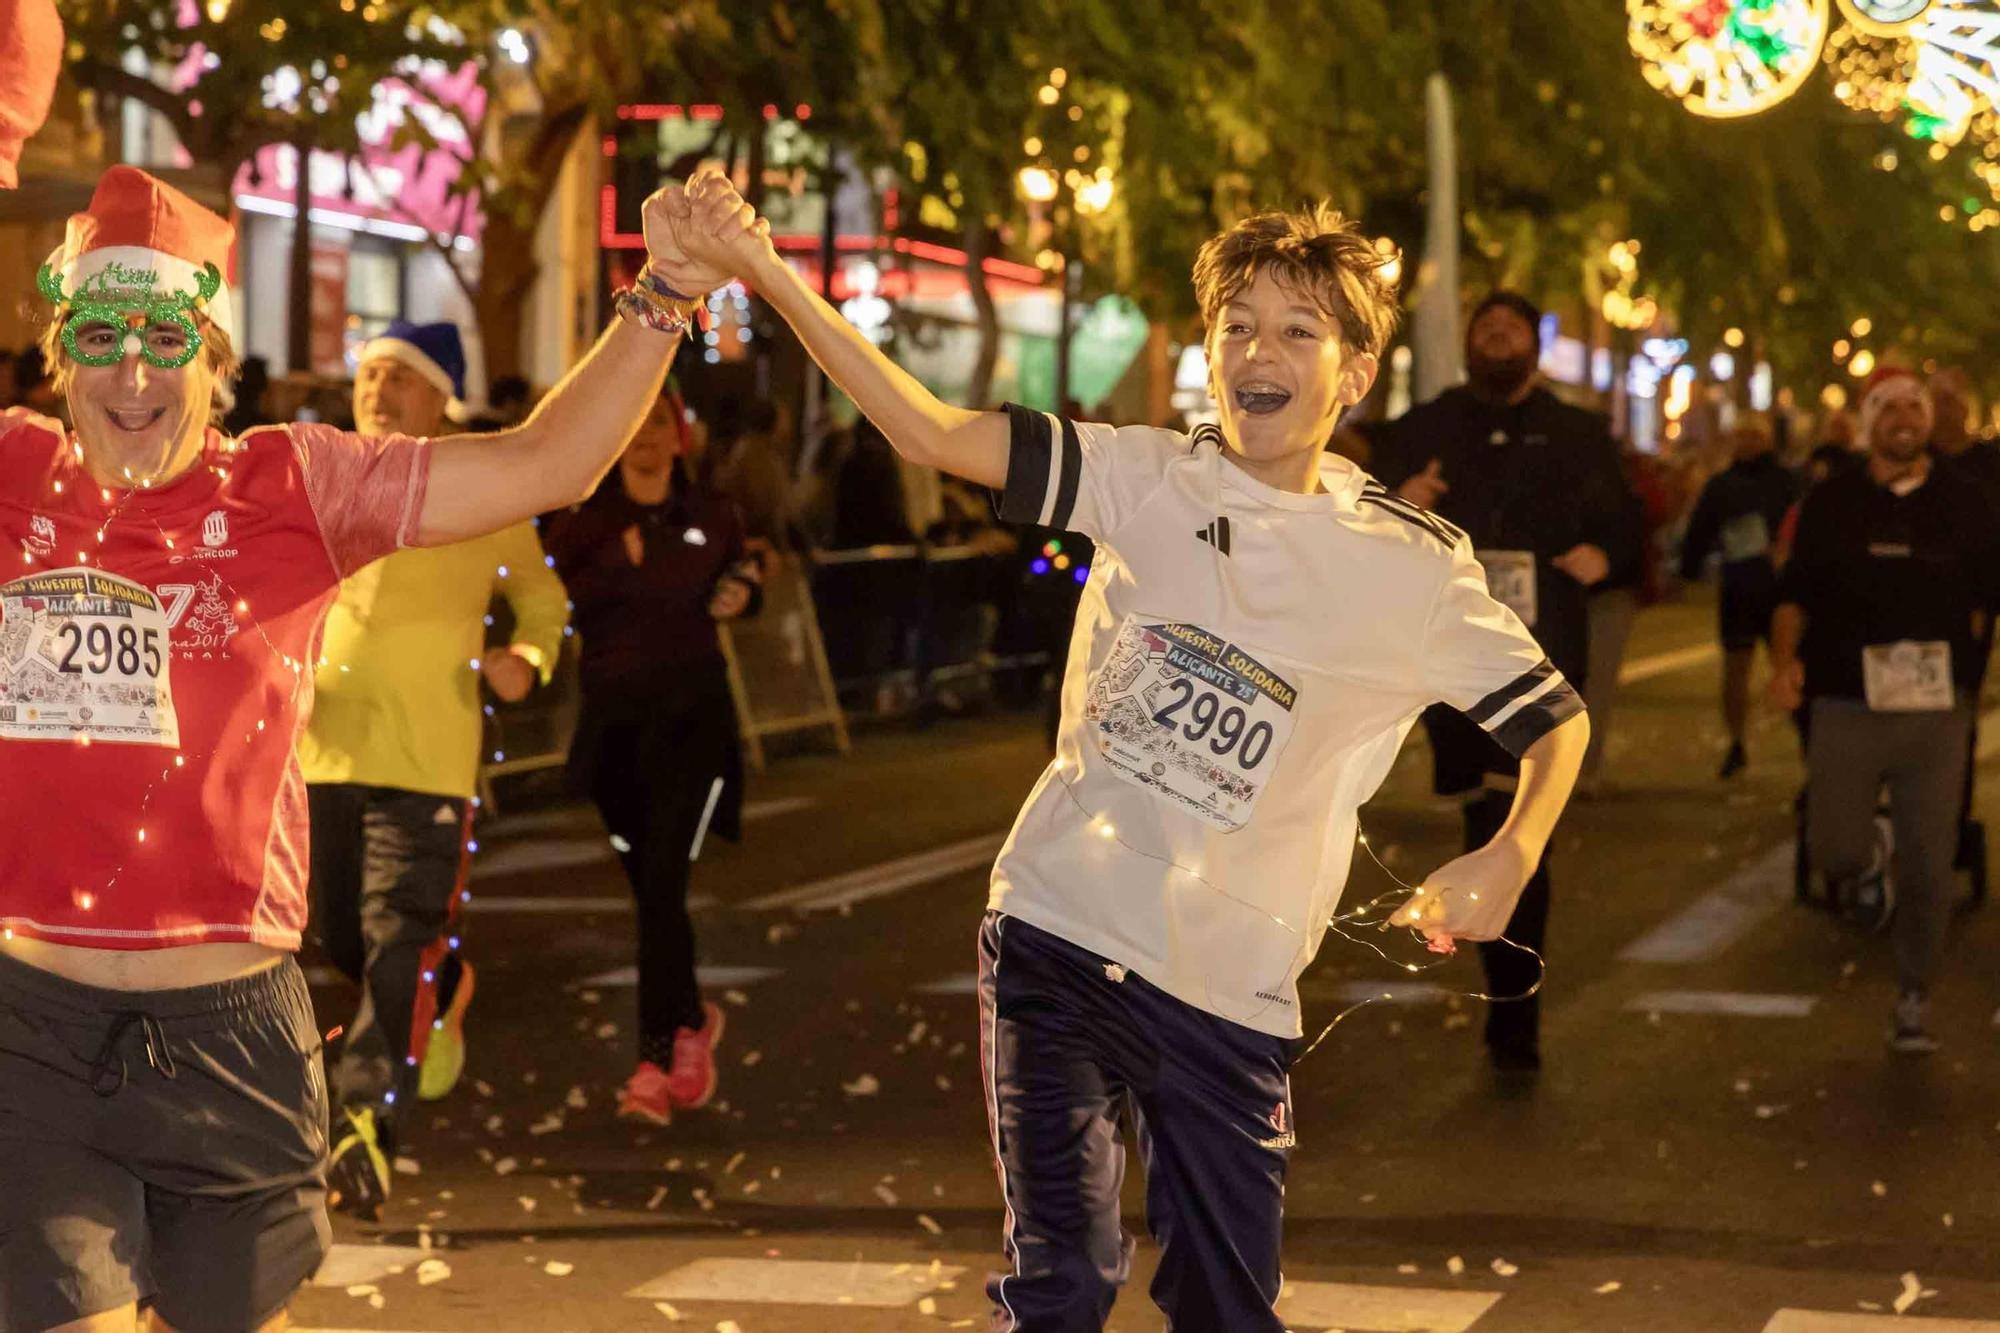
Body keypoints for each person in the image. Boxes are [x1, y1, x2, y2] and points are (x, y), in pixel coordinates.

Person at [664, 171, 1590, 1332]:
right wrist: (762, 272)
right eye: (1235, 325)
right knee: (1059, 1284)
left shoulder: (1409, 569)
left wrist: (1508, 854)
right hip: (1059, 929)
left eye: (1298, 329)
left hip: (1228, 987)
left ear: (1352, 376)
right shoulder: (1141, 477)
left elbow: (1554, 719)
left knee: (1223, 1307)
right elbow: (928, 428)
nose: (1259, 349)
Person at [0, 164, 724, 1333]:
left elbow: (548, 464)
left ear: (214, 359)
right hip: (29, 1026)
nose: (131, 372)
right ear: (60, 355)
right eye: (98, 334)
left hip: (224, 1035)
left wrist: (666, 292)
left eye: (164, 337)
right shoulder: (7, 473)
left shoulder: (296, 486)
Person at [300, 319, 569, 1220]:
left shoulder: (478, 487)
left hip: (430, 755)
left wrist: (525, 656)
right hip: (321, 746)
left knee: (394, 932)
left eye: (399, 378)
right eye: (368, 375)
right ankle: (443, 988)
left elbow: (540, 594)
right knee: (336, 929)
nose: (376, 391)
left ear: (440, 396)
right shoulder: (320, 476)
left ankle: (365, 1126)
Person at [1361, 290, 1638, 1071]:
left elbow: (1627, 525)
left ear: (1534, 346)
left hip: (1541, 652)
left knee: (1510, 826)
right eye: (1487, 330)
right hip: (1448, 651)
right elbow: (1359, 510)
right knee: (1483, 814)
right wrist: (1399, 500)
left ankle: (1514, 1004)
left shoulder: (1580, 432)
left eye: (1512, 328)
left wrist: (1605, 556)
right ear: (1471, 348)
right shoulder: (1426, 427)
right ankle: (1499, 974)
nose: (1498, 339)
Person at [544, 384, 758, 1125]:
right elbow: (557, 597)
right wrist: (614, 566)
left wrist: (742, 590)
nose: (644, 436)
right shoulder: (584, 519)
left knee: (663, 884)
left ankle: (655, 1056)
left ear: (679, 434)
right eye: (630, 421)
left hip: (695, 723)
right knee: (652, 893)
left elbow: (748, 569)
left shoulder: (710, 512)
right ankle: (693, 1019)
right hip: (615, 729)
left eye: (658, 421)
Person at [1769, 367, 2000, 1054]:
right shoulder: (1832, 501)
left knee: (1932, 864)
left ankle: (1914, 993)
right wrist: (1785, 664)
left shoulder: (1971, 503)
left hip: (1937, 709)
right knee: (1833, 849)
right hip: (1846, 702)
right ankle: (1870, 855)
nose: (1904, 416)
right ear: (1869, 421)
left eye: (1914, 406)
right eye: (1888, 406)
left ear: (1929, 420)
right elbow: (1793, 593)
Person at [1678, 419, 1798, 777]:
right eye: (1742, 435)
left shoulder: (1786, 481)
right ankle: (1736, 741)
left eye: (1754, 435)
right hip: (1739, 588)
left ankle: (1806, 739)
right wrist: (1689, 567)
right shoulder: (1721, 485)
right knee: (1735, 669)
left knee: (1787, 665)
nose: (1747, 442)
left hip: (1779, 591)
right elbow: (1700, 529)